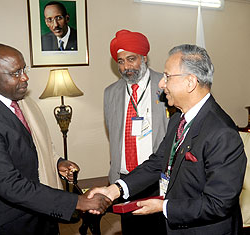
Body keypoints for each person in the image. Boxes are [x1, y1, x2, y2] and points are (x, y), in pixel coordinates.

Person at [89, 44, 247, 235]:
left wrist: (163, 207)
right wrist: (115, 190)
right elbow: (158, 162)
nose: (161, 84)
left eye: (167, 77)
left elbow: (218, 204)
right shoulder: (177, 119)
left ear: (190, 82)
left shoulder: (222, 133)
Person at [0, 43, 111, 235]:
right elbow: (9, 185)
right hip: (9, 224)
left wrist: (56, 162)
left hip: (40, 214)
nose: (25, 77)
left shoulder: (20, 103)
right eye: (15, 73)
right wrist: (78, 201)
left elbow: (31, 145)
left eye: (24, 69)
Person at [104, 29, 168, 234]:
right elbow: (113, 134)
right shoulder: (110, 93)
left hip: (157, 179)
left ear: (144, 57)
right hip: (124, 179)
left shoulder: (165, 86)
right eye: (120, 61)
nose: (126, 66)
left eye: (131, 59)